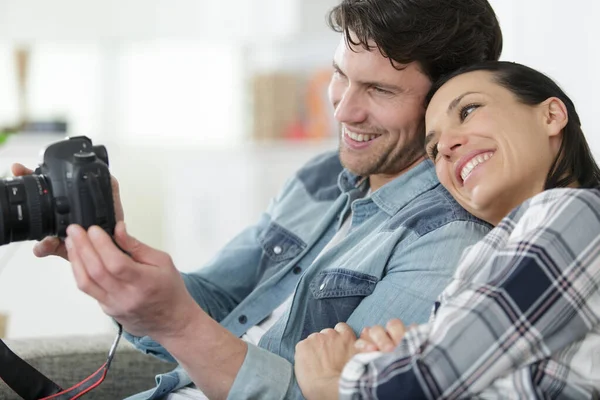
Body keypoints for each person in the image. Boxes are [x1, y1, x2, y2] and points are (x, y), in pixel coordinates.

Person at [12, 1, 502, 399]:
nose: (344, 108)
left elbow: (332, 396)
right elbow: (220, 300)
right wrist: (115, 254)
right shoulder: (322, 176)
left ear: (451, 101)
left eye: (377, 89)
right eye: (341, 75)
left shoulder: (449, 239)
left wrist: (176, 324)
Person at [294, 61, 600, 399]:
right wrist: (399, 357)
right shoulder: (485, 255)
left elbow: (426, 381)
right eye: (432, 149)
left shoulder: (578, 212)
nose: (446, 147)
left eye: (468, 110)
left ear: (551, 116)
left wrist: (331, 385)